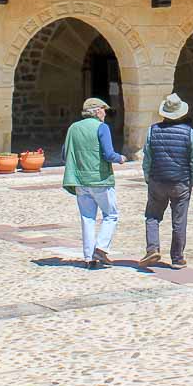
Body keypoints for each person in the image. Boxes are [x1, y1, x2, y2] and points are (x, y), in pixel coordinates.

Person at [138, 92, 193, 269]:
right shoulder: (189, 133)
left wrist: (147, 177)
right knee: (179, 220)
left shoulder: (152, 130)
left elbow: (147, 158)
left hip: (157, 180)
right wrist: (190, 182)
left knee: (152, 216)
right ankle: (177, 257)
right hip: (180, 182)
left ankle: (152, 248)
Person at [61, 96, 125, 269]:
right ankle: (102, 247)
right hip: (100, 179)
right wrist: (121, 158)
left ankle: (89, 257)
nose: (105, 113)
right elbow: (108, 154)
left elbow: (64, 153)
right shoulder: (101, 127)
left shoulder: (73, 128)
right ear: (97, 111)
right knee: (111, 214)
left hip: (80, 180)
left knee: (87, 218)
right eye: (103, 110)